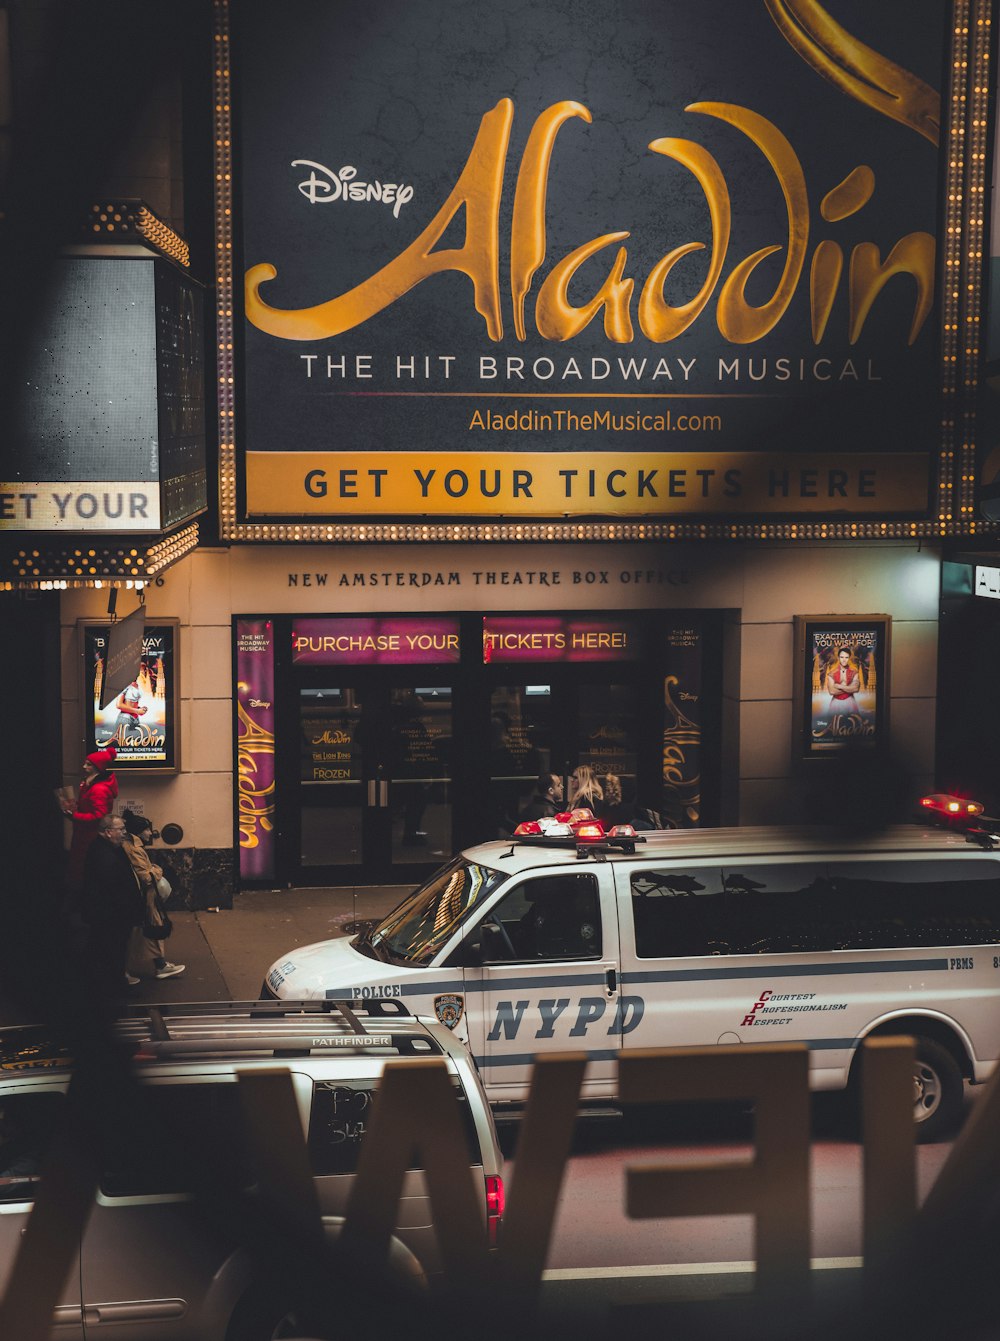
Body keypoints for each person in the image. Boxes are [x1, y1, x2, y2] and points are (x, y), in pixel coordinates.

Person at [80, 813, 144, 1005]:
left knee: (106, 950)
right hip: (110, 916)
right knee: (112, 951)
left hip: (110, 914)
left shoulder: (109, 848)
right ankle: (113, 990)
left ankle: (107, 987)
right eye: (121, 830)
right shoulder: (104, 854)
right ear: (108, 832)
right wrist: (128, 910)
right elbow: (114, 889)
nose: (124, 833)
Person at [121, 810, 185, 980]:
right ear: (139, 831)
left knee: (146, 931)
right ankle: (151, 967)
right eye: (148, 830)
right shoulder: (134, 848)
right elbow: (146, 876)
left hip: (143, 899)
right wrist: (157, 870)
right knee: (144, 931)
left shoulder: (133, 846)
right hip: (144, 898)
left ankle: (160, 965)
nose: (151, 833)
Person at [62, 746, 119, 894]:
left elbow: (98, 815)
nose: (84, 766)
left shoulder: (98, 789)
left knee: (83, 870)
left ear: (97, 768)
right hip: (85, 833)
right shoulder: (90, 784)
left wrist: (74, 816)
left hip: (88, 836)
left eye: (88, 764)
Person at [103, 678, 147, 747]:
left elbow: (132, 703)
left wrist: (140, 709)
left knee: (134, 745)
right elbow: (119, 705)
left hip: (135, 718)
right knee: (123, 745)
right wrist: (137, 711)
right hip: (125, 718)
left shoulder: (136, 684)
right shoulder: (124, 685)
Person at [825, 647, 861, 715]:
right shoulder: (832, 673)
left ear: (849, 658)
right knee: (834, 724)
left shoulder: (854, 672)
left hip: (850, 702)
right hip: (836, 703)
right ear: (838, 658)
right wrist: (849, 688)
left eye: (846, 657)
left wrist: (839, 686)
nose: (844, 660)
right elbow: (832, 691)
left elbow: (856, 689)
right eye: (842, 657)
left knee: (852, 723)